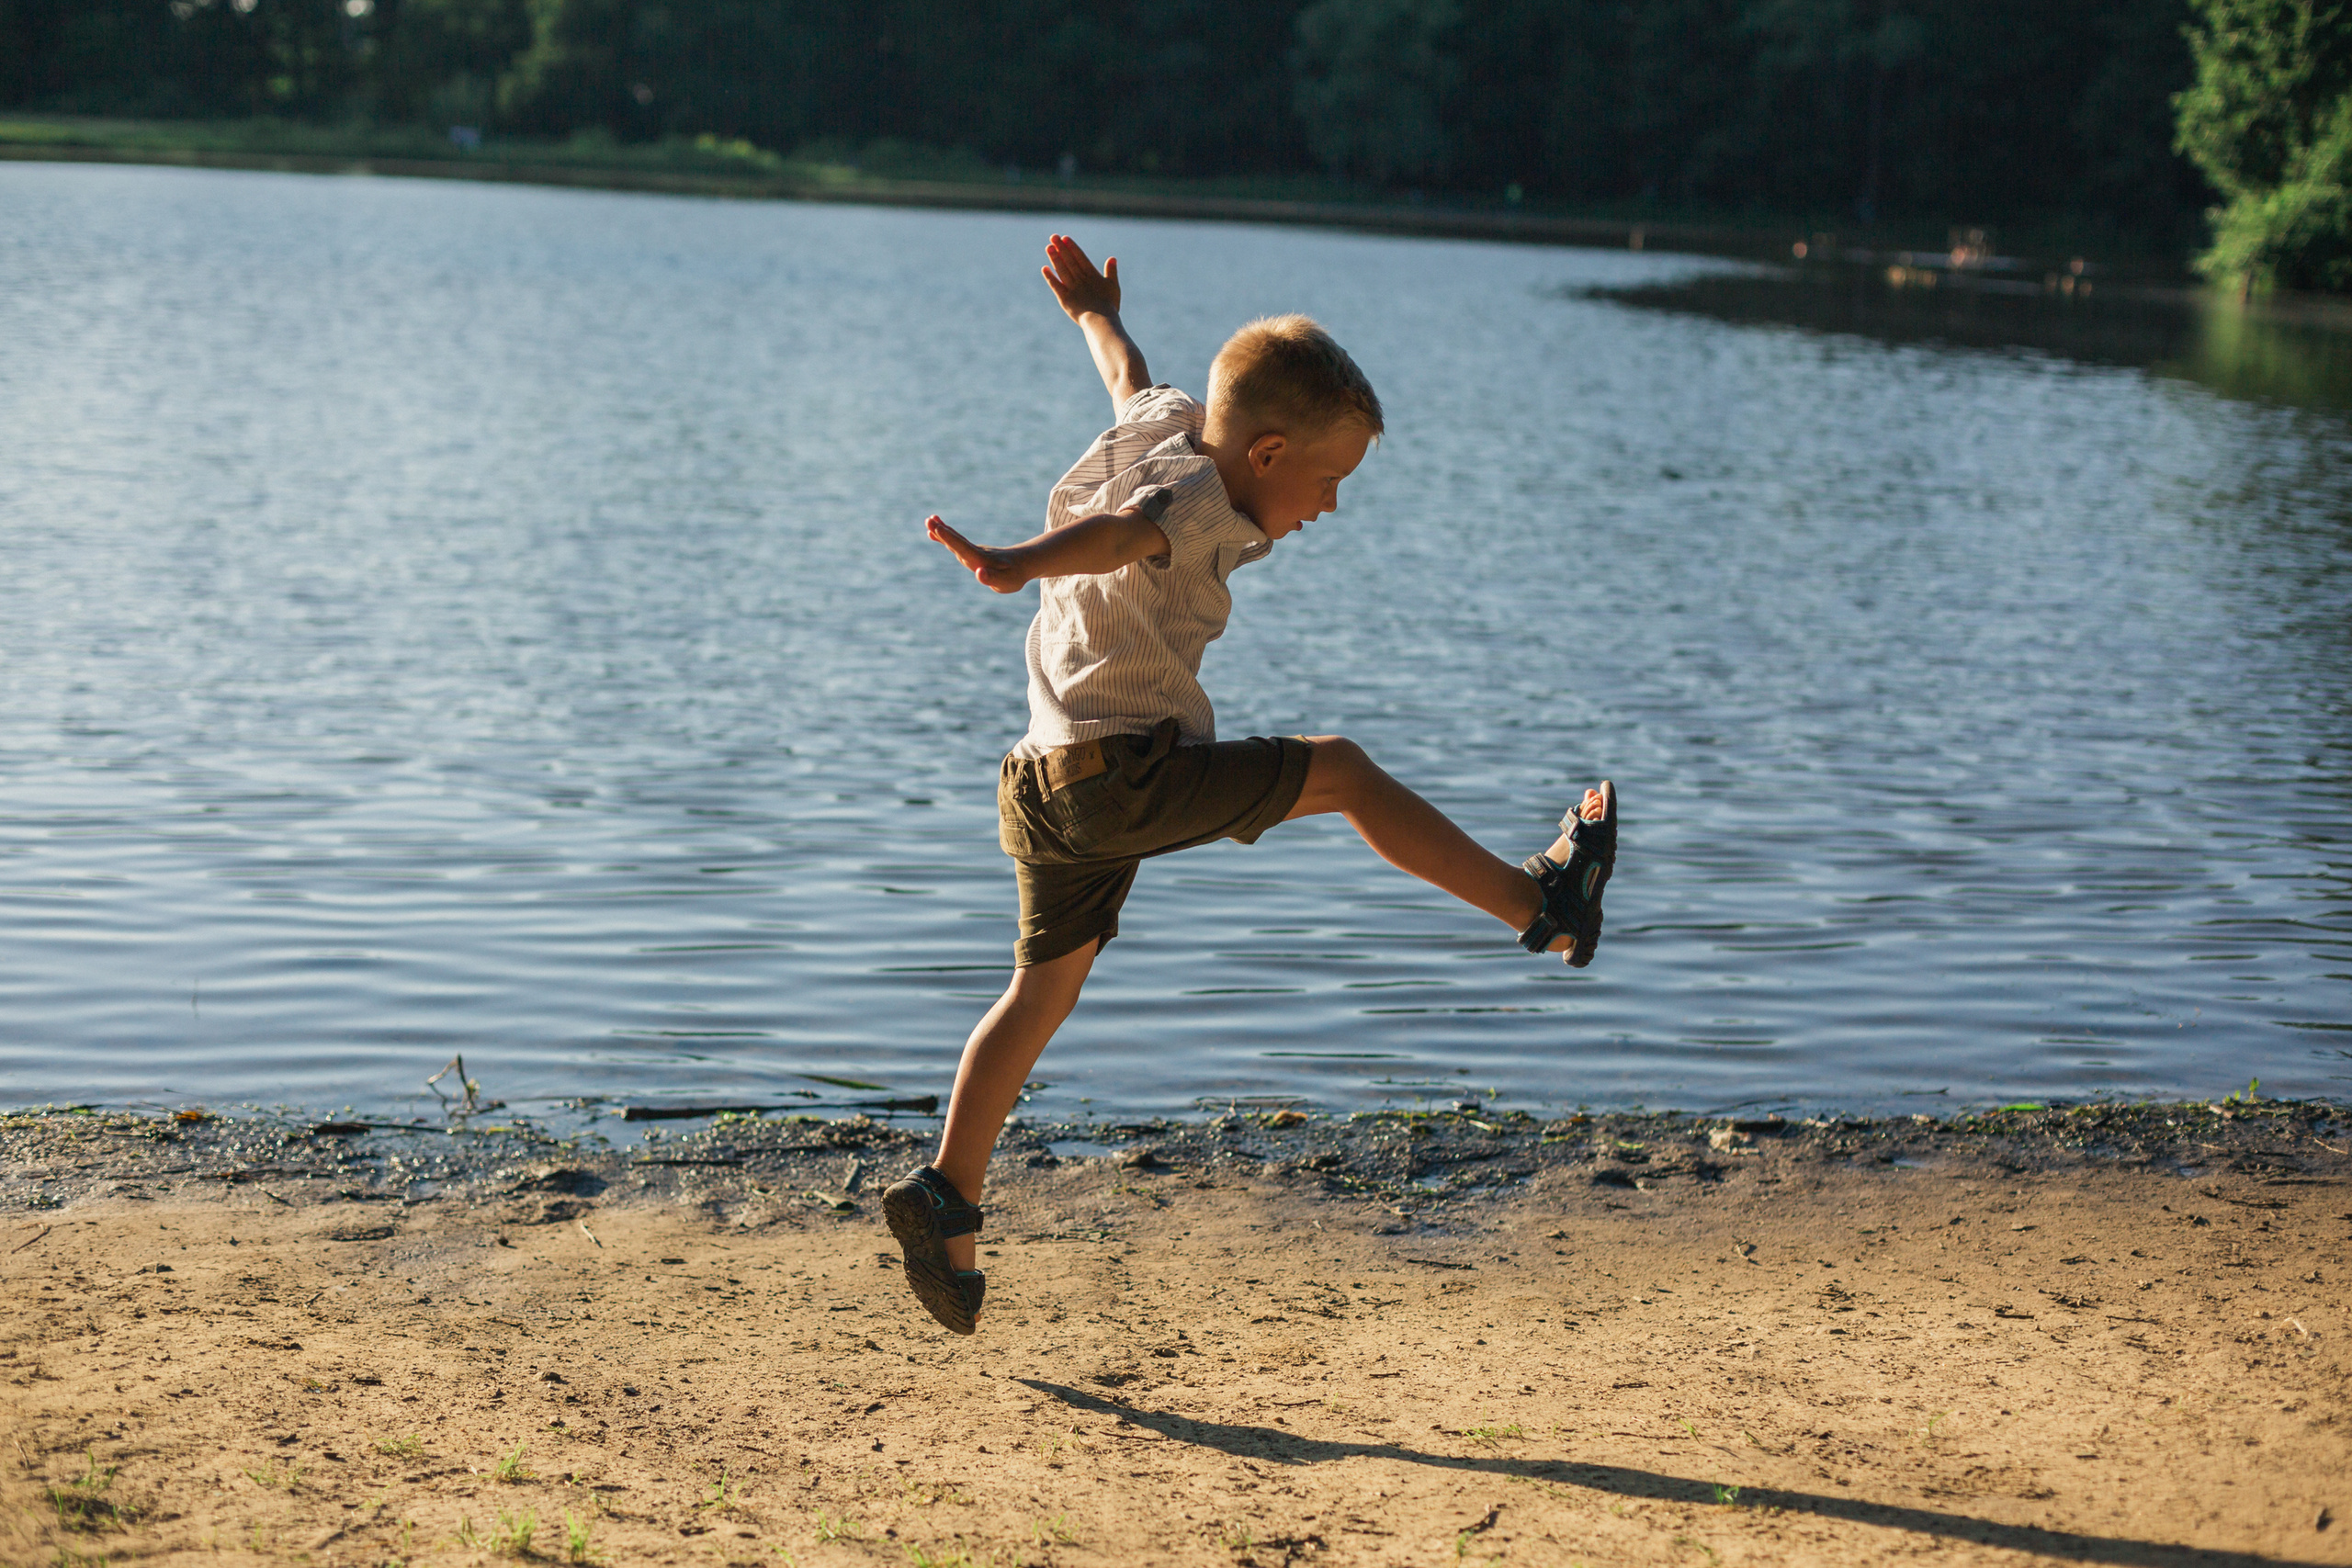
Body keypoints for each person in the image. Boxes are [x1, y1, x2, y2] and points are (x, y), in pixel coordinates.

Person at [885, 233, 1616, 1335]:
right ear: (1267, 455)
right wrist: (1016, 562)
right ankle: (1542, 906)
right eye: (1328, 482)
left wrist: (1093, 311)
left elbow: (1125, 376)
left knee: (1039, 994)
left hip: (1038, 777)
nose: (1329, 508)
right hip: (1118, 775)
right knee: (1344, 775)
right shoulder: (1197, 501)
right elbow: (1125, 532)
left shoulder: (1167, 422)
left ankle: (947, 1201)